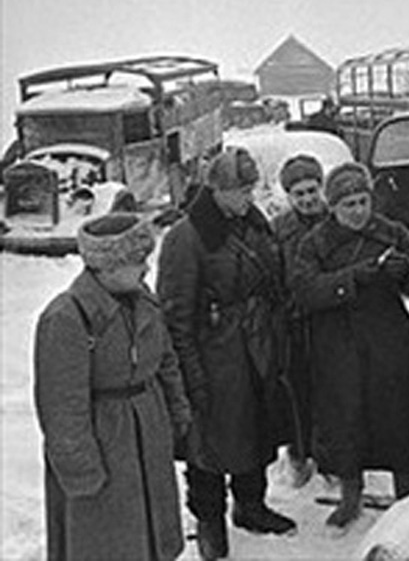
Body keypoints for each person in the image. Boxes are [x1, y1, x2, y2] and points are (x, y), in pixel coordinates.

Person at [157, 148, 295, 561]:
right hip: (214, 358)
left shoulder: (252, 222)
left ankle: (250, 505)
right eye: (238, 190)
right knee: (208, 447)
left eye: (250, 189)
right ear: (215, 189)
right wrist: (190, 376)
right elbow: (175, 315)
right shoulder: (185, 237)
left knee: (257, 431)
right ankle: (209, 523)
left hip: (257, 349)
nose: (247, 198)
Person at [34, 213, 192, 561]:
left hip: (146, 430)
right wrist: (82, 472)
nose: (146, 269)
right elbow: (62, 406)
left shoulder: (143, 299)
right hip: (105, 443)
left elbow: (166, 361)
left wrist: (176, 415)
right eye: (137, 262)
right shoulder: (66, 317)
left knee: (153, 535)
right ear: (106, 267)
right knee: (107, 542)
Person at [292, 161, 409, 528]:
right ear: (333, 207)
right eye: (348, 204)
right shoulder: (316, 242)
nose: (358, 211)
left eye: (362, 201)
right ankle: (350, 496)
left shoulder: (391, 233)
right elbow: (305, 291)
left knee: (400, 421)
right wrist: (352, 279)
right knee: (347, 422)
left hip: (390, 344)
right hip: (339, 349)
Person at [270, 154, 329, 486]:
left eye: (311, 190)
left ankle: (332, 458)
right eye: (299, 194)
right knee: (299, 393)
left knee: (333, 391)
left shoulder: (336, 220)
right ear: (288, 197)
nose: (307, 199)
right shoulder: (279, 230)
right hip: (295, 324)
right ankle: (300, 455)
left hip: (331, 322)